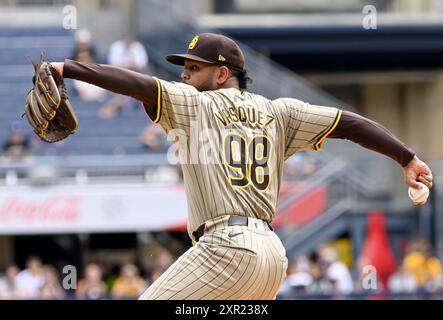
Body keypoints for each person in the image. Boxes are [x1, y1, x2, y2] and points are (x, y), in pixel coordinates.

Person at [50, 32, 433, 300]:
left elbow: (138, 85)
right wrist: (407, 157)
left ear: (221, 74)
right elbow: (349, 124)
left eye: (194, 68)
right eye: (184, 67)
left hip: (225, 247)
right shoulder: (279, 112)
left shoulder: (195, 103)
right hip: (271, 255)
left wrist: (68, 68)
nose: (185, 74)